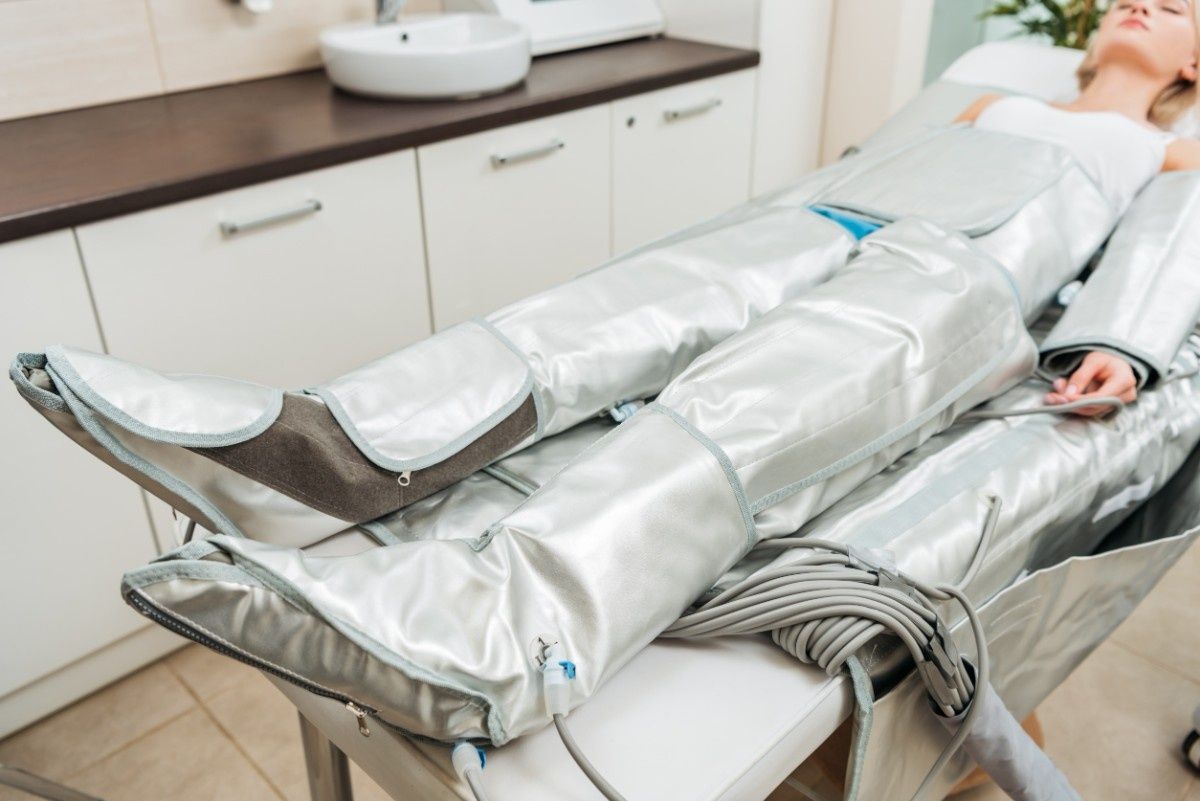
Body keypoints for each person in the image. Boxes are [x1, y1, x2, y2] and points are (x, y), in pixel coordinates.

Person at [954, 0, 1200, 415]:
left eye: (1170, 10)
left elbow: (1165, 256)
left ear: (1192, 63)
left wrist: (1117, 345)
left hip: (985, 282)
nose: (1139, 7)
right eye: (1125, 4)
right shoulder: (991, 105)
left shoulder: (1175, 153)